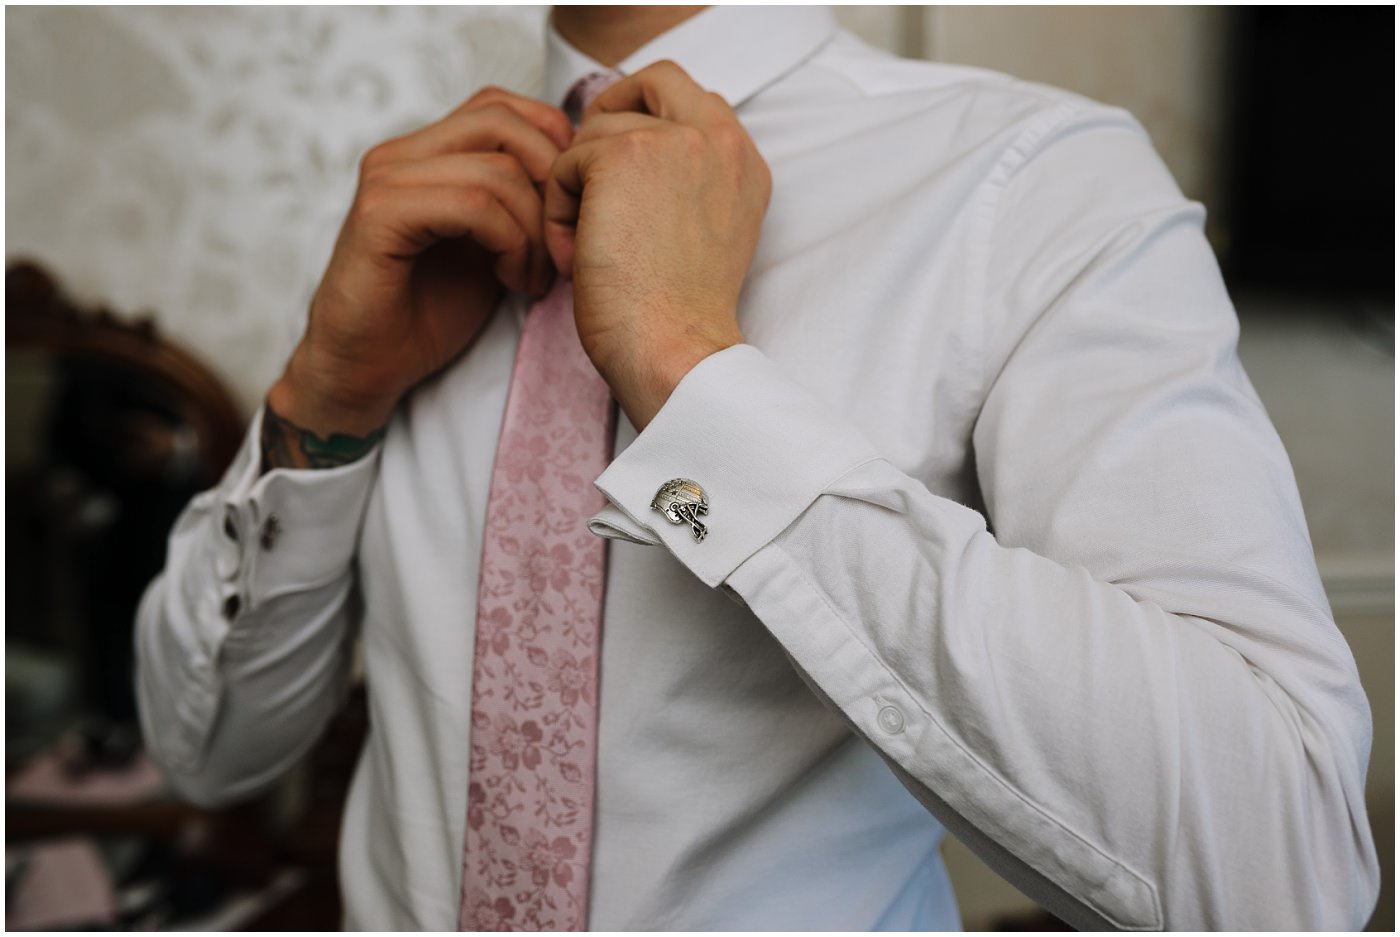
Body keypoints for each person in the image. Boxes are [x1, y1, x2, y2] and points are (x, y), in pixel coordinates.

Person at [135, 5, 1380, 930]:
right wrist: (325, 403)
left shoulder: (1028, 183)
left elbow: (1285, 870)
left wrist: (688, 373)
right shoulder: (415, 200)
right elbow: (208, 753)